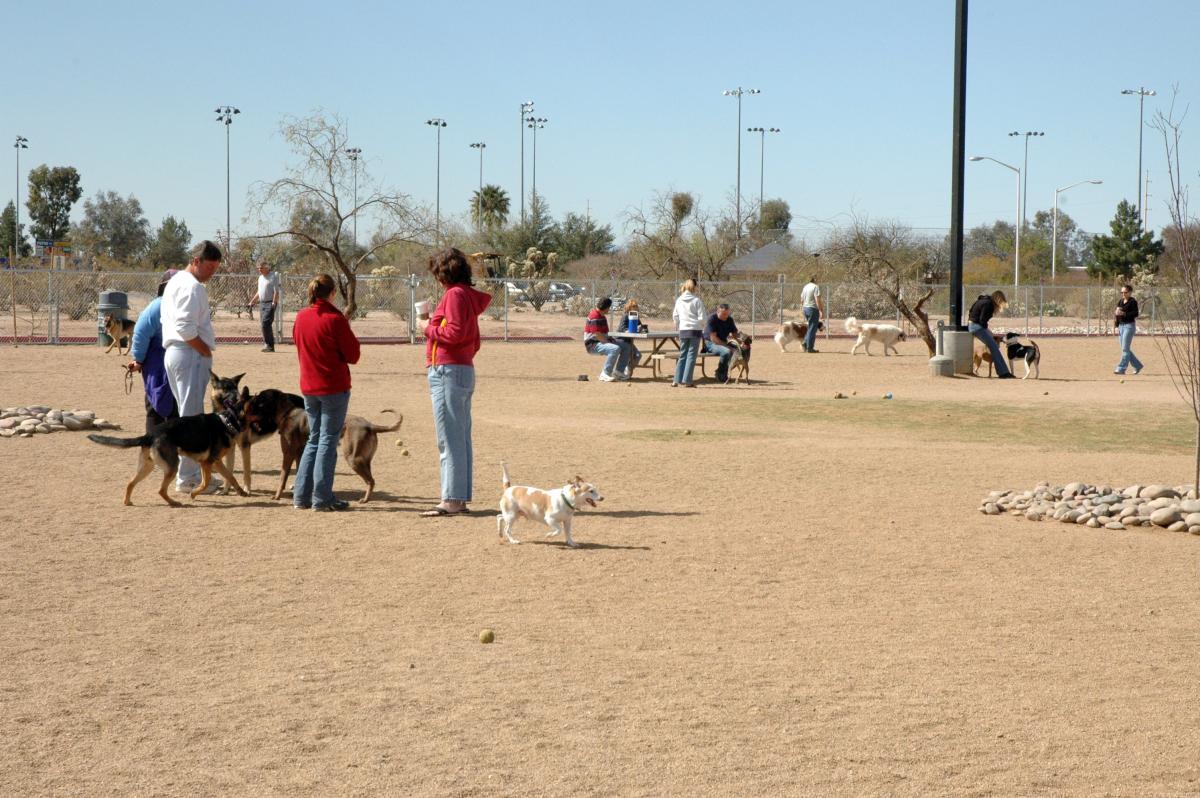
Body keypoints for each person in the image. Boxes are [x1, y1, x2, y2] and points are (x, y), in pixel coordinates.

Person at [421, 248, 493, 517]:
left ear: (443, 275)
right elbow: (472, 340)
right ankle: (458, 498)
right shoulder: (466, 296)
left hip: (447, 371)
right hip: (461, 369)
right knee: (459, 437)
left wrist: (426, 327)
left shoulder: (454, 295)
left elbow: (453, 332)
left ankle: (451, 499)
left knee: (449, 438)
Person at [291, 274, 361, 511]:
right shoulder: (335, 318)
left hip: (309, 386)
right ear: (332, 293)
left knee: (314, 439)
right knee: (328, 440)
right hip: (333, 386)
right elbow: (353, 355)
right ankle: (322, 498)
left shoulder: (301, 317)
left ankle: (301, 496)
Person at [161, 240, 224, 492]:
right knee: (192, 418)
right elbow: (186, 328)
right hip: (188, 354)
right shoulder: (192, 287)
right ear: (196, 261)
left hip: (177, 354)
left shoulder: (174, 282)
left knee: (187, 414)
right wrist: (204, 350)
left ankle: (192, 474)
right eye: (210, 267)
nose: (212, 273)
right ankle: (188, 478)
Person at [127, 269, 179, 434]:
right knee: (155, 401)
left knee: (177, 405)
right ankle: (151, 446)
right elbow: (141, 333)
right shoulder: (157, 306)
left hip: (179, 360)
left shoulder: (185, 306)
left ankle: (176, 448)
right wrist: (138, 359)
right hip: (157, 361)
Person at [968, 289, 1016, 379]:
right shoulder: (988, 304)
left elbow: (972, 313)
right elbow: (982, 321)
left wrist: (991, 333)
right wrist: (990, 333)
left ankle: (1004, 372)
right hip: (976, 327)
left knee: (994, 346)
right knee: (994, 347)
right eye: (1001, 301)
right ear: (998, 299)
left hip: (973, 325)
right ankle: (1003, 373)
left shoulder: (984, 301)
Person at [584, 297, 632, 381]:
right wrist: (609, 343)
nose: (609, 310)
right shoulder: (594, 315)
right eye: (609, 307)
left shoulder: (602, 317)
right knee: (614, 348)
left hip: (601, 341)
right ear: (606, 307)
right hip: (592, 345)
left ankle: (618, 372)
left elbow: (605, 334)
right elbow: (597, 334)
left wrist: (612, 340)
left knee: (626, 346)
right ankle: (605, 374)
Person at [672, 278, 706, 388]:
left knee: (682, 354)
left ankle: (676, 380)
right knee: (691, 355)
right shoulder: (697, 300)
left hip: (683, 330)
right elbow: (702, 318)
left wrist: (678, 327)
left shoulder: (679, 300)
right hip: (695, 330)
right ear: (694, 287)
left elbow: (675, 316)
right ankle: (687, 381)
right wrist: (702, 326)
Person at [703, 302, 742, 384]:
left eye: (727, 314)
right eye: (723, 314)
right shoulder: (712, 319)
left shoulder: (729, 319)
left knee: (739, 350)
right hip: (710, 343)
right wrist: (728, 347)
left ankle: (725, 371)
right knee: (726, 351)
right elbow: (713, 338)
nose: (725, 316)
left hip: (723, 342)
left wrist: (741, 341)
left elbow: (735, 334)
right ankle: (720, 373)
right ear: (718, 311)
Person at [248, 259, 281, 352]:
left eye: (261, 268)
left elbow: (276, 291)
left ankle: (269, 345)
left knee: (266, 323)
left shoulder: (273, 276)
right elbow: (259, 292)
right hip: (262, 303)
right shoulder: (260, 278)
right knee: (264, 324)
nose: (259, 270)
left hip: (270, 303)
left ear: (267, 267)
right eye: (258, 268)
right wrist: (252, 301)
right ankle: (268, 345)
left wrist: (274, 303)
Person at [1113, 283, 1144, 375]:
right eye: (1121, 292)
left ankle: (1121, 368)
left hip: (1129, 326)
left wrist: (1124, 314)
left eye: (1125, 292)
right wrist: (1116, 325)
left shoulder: (1132, 301)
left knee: (1125, 349)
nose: (1123, 294)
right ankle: (1137, 365)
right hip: (1121, 326)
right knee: (1124, 349)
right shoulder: (1120, 301)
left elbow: (1135, 313)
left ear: (1130, 292)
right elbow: (1117, 314)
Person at [614, 298, 643, 375]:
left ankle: (628, 369)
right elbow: (622, 328)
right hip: (621, 340)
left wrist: (641, 328)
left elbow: (640, 326)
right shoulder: (625, 316)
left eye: (636, 306)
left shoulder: (636, 316)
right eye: (633, 306)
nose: (635, 307)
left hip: (629, 341)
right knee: (628, 350)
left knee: (638, 355)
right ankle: (620, 371)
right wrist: (629, 330)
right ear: (629, 307)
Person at [799, 275, 825, 353]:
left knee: (810, 327)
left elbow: (802, 299)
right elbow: (817, 299)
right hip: (813, 309)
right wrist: (821, 311)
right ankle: (809, 348)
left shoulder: (805, 287)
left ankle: (805, 343)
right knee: (813, 329)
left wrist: (802, 308)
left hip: (806, 308)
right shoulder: (815, 287)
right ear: (815, 279)